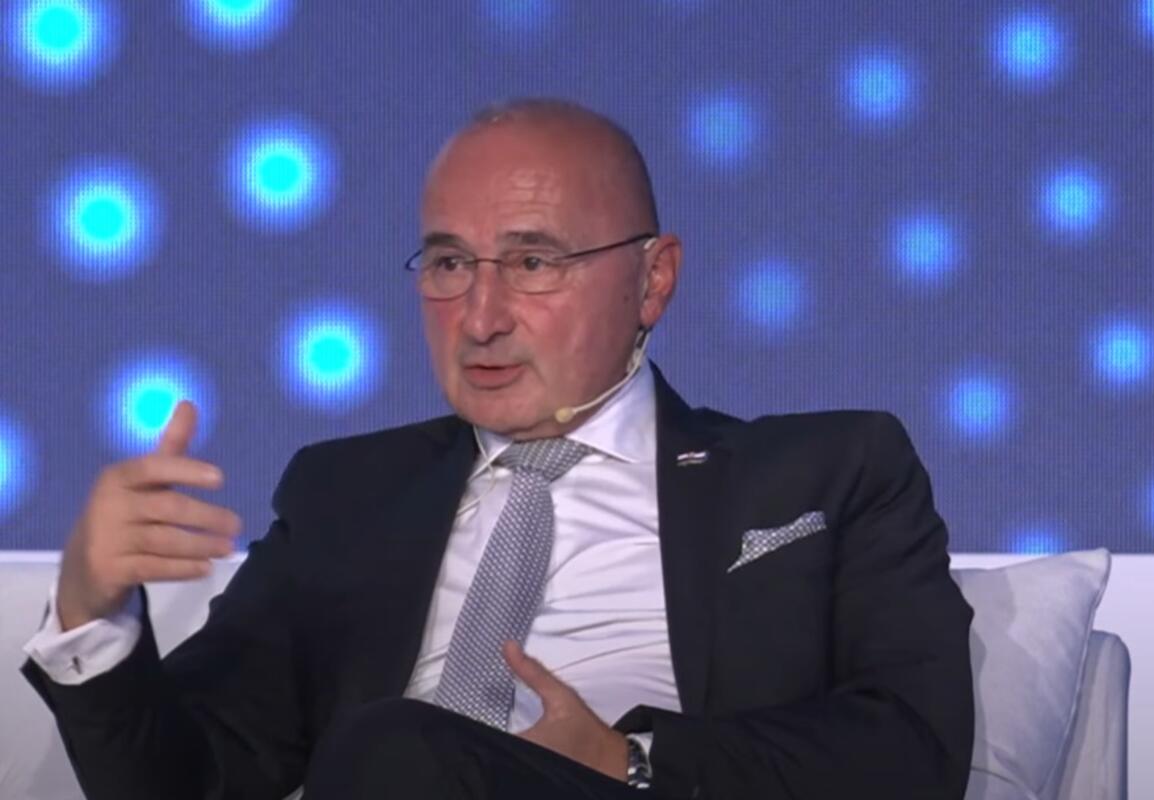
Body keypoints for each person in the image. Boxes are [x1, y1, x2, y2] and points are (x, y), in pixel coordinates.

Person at [22, 99, 975, 800]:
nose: (480, 317)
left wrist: (632, 761)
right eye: (448, 263)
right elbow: (188, 784)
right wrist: (91, 609)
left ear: (653, 279)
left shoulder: (829, 469)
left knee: (398, 751)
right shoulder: (345, 494)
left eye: (532, 262)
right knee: (397, 756)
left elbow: (911, 750)